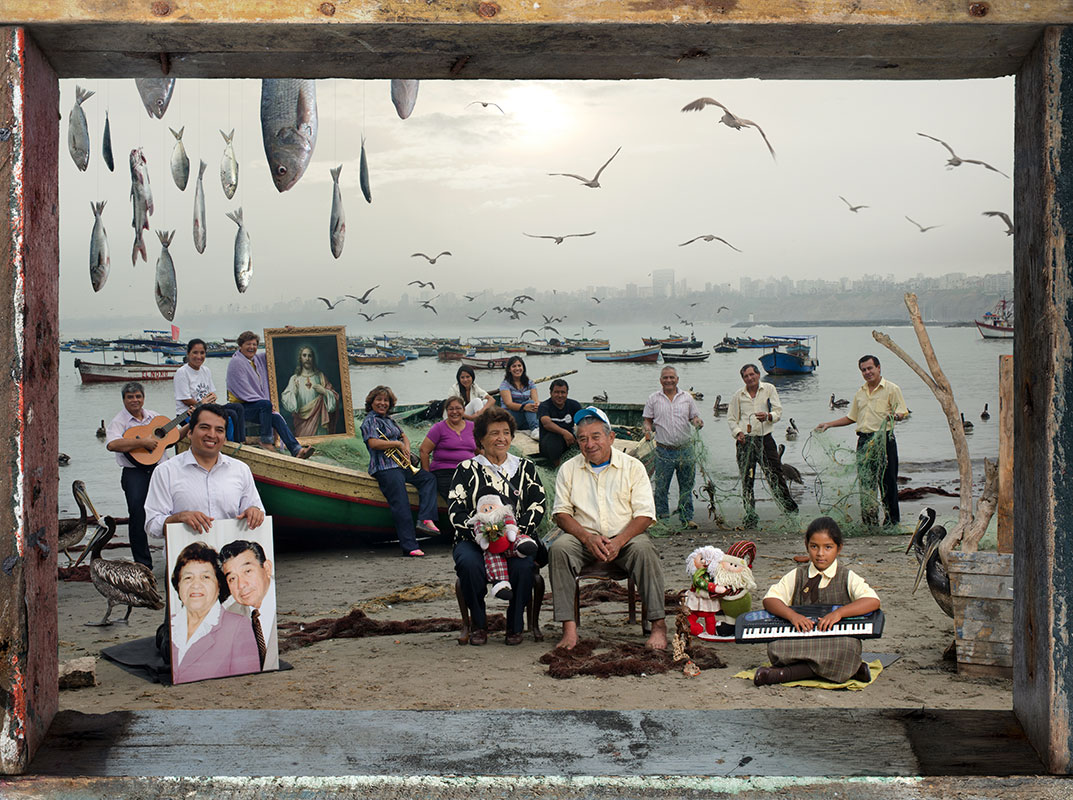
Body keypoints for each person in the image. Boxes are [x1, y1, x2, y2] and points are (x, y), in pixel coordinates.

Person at [550, 406, 667, 650]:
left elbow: (645, 515)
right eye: (582, 439)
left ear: (610, 438)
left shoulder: (633, 467)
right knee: (559, 548)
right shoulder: (568, 469)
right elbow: (561, 514)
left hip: (626, 538)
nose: (589, 444)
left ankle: (658, 626)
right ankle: (569, 629)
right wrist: (587, 538)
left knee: (645, 551)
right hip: (583, 539)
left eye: (595, 437)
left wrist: (619, 541)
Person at [448, 406, 547, 646]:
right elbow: (455, 511)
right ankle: (478, 625)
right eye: (494, 433)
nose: (501, 438)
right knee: (469, 565)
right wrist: (485, 532)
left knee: (524, 566)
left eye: (506, 432)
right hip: (475, 540)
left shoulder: (525, 468)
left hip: (516, 537)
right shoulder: (466, 469)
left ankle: (515, 626)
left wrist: (515, 532)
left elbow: (539, 502)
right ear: (481, 438)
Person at [754, 516, 880, 686]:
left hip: (835, 639)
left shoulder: (846, 576)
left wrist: (839, 613)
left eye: (828, 547)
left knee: (848, 648)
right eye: (814, 547)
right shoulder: (798, 575)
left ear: (839, 548)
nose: (820, 554)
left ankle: (783, 674)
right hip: (801, 635)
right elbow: (770, 600)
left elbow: (872, 601)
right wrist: (792, 616)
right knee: (776, 647)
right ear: (807, 545)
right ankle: (853, 669)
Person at [144, 403, 266, 540]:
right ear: (189, 432)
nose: (212, 435)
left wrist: (255, 513)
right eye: (204, 427)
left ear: (225, 438)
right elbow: (152, 526)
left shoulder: (241, 470)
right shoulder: (165, 471)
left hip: (232, 557)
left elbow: (257, 509)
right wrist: (178, 518)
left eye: (219, 430)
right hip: (187, 558)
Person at [816, 354, 908, 527]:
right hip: (864, 442)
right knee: (866, 484)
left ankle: (892, 522)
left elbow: (902, 412)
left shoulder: (892, 389)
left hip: (884, 440)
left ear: (879, 368)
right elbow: (852, 417)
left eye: (870, 368)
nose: (867, 372)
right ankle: (870, 522)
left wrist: (895, 416)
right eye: (863, 370)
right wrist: (829, 424)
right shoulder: (860, 393)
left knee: (888, 482)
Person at [360, 385, 441, 557]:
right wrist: (396, 444)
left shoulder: (389, 420)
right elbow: (373, 443)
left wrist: (405, 447)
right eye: (379, 400)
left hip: (401, 465)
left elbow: (403, 435)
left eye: (386, 400)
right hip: (385, 467)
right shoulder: (370, 420)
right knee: (401, 502)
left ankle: (425, 519)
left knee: (428, 479)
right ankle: (410, 546)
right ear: (372, 402)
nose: (382, 403)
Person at [169, 541, 261, 684]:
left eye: (205, 577)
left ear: (219, 586)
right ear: (178, 586)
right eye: (188, 578)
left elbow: (247, 683)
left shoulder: (237, 626)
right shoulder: (170, 625)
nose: (196, 585)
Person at [727, 364, 798, 527]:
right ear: (743, 378)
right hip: (745, 442)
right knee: (747, 480)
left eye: (752, 374)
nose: (750, 378)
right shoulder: (738, 395)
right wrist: (738, 432)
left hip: (765, 440)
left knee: (775, 476)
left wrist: (768, 416)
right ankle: (750, 517)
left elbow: (778, 412)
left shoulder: (769, 389)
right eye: (746, 376)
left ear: (758, 375)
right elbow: (731, 418)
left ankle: (791, 512)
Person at [225, 330, 314, 459]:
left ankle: (296, 449)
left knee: (276, 418)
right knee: (265, 405)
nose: (252, 347)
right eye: (248, 344)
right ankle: (266, 441)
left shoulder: (257, 360)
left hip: (256, 406)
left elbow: (276, 351)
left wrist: (288, 333)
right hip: (240, 407)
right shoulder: (236, 362)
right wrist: (264, 403)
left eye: (255, 344)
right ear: (241, 345)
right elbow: (241, 389)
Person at [104, 382, 165, 568]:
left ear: (143, 398)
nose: (135, 400)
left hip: (158, 470)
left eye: (138, 396)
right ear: (123, 400)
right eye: (130, 397)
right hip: (134, 474)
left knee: (168, 511)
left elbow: (172, 436)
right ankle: (143, 564)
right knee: (137, 516)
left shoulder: (154, 417)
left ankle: (172, 554)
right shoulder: (119, 421)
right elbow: (112, 445)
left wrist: (189, 420)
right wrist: (141, 443)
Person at [642, 366, 704, 530]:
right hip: (663, 450)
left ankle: (686, 518)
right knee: (661, 487)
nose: (668, 380)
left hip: (686, 449)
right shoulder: (653, 399)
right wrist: (647, 429)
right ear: (660, 380)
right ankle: (663, 519)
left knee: (686, 485)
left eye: (671, 377)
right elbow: (647, 420)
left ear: (677, 379)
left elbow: (694, 417)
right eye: (665, 378)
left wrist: (697, 422)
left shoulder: (687, 398)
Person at [221, 539, 279, 671]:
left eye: (247, 571)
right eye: (232, 578)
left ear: (267, 568)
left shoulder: (283, 601)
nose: (241, 585)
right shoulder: (229, 615)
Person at [174, 338, 245, 443]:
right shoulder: (182, 372)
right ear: (188, 353)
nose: (199, 356)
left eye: (202, 353)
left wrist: (212, 399)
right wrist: (204, 404)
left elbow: (211, 392)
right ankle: (230, 444)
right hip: (188, 413)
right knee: (229, 416)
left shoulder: (205, 370)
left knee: (238, 407)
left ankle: (240, 442)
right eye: (195, 353)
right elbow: (185, 399)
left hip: (207, 407)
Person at [419, 396, 477, 500]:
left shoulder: (472, 427)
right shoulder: (439, 428)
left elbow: (479, 451)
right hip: (445, 472)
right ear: (446, 411)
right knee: (457, 498)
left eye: (458, 408)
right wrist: (426, 475)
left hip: (468, 470)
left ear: (464, 410)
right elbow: (424, 451)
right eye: (451, 409)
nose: (455, 412)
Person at [280, 345, 340, 437]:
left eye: (310, 355)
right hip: (301, 422)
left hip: (319, 420)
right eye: (304, 355)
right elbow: (288, 404)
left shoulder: (320, 377)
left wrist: (324, 391)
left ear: (313, 358)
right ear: (300, 358)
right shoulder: (295, 379)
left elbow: (335, 398)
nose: (307, 358)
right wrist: (294, 393)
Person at [537, 378, 582, 465]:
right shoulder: (544, 406)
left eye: (563, 392)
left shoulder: (574, 405)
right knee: (555, 439)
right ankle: (557, 467)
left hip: (569, 441)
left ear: (567, 393)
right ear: (551, 393)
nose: (560, 395)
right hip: (549, 444)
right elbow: (546, 424)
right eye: (556, 392)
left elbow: (583, 421)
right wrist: (564, 432)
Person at [498, 356, 540, 440]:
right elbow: (509, 404)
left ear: (523, 368)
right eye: (514, 366)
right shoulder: (505, 385)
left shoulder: (530, 383)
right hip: (510, 416)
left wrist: (536, 406)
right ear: (509, 369)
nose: (517, 368)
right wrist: (524, 407)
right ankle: (534, 429)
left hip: (524, 414)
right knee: (529, 404)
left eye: (519, 366)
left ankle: (535, 428)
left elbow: (536, 401)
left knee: (534, 406)